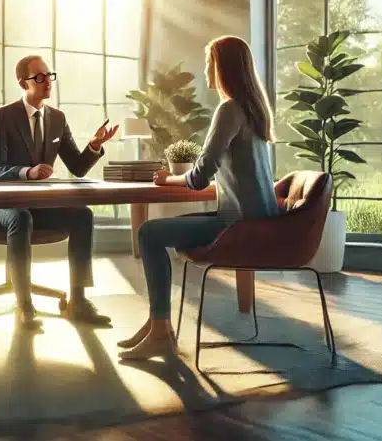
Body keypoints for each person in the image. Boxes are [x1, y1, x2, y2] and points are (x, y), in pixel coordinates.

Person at [118, 35, 280, 360]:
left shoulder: (230, 108)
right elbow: (232, 177)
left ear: (222, 67)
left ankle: (161, 330)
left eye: (209, 63)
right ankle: (156, 323)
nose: (206, 70)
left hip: (240, 227)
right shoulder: (255, 110)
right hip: (262, 222)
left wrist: (168, 177)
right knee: (165, 229)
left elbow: (200, 175)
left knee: (148, 233)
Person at [0, 55, 120, 330]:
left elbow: (78, 168)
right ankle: (24, 305)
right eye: (40, 77)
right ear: (23, 83)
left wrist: (94, 146)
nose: (47, 82)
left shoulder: (57, 119)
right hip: (5, 204)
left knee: (82, 215)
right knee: (21, 219)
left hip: (41, 205)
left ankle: (79, 302)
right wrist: (26, 172)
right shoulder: (3, 116)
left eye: (49, 76)